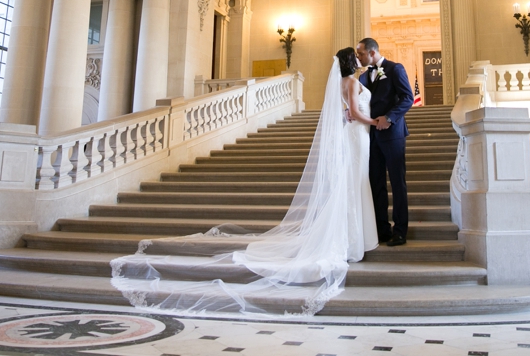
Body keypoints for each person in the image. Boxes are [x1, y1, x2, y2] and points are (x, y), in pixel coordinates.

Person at [110, 49, 379, 316]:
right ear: (349, 62)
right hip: (357, 135)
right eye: (355, 57)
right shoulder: (353, 83)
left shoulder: (343, 83)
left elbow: (346, 112)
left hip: (351, 136)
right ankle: (351, 242)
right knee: (353, 186)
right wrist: (375, 121)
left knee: (350, 186)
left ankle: (349, 240)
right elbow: (353, 112)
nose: (358, 60)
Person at [356, 38, 414, 247]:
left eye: (360, 53)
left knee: (398, 184)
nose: (358, 57)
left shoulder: (395, 68)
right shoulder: (363, 76)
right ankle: (382, 229)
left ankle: (400, 230)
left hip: (393, 134)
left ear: (372, 53)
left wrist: (389, 118)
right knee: (376, 183)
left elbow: (408, 97)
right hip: (371, 136)